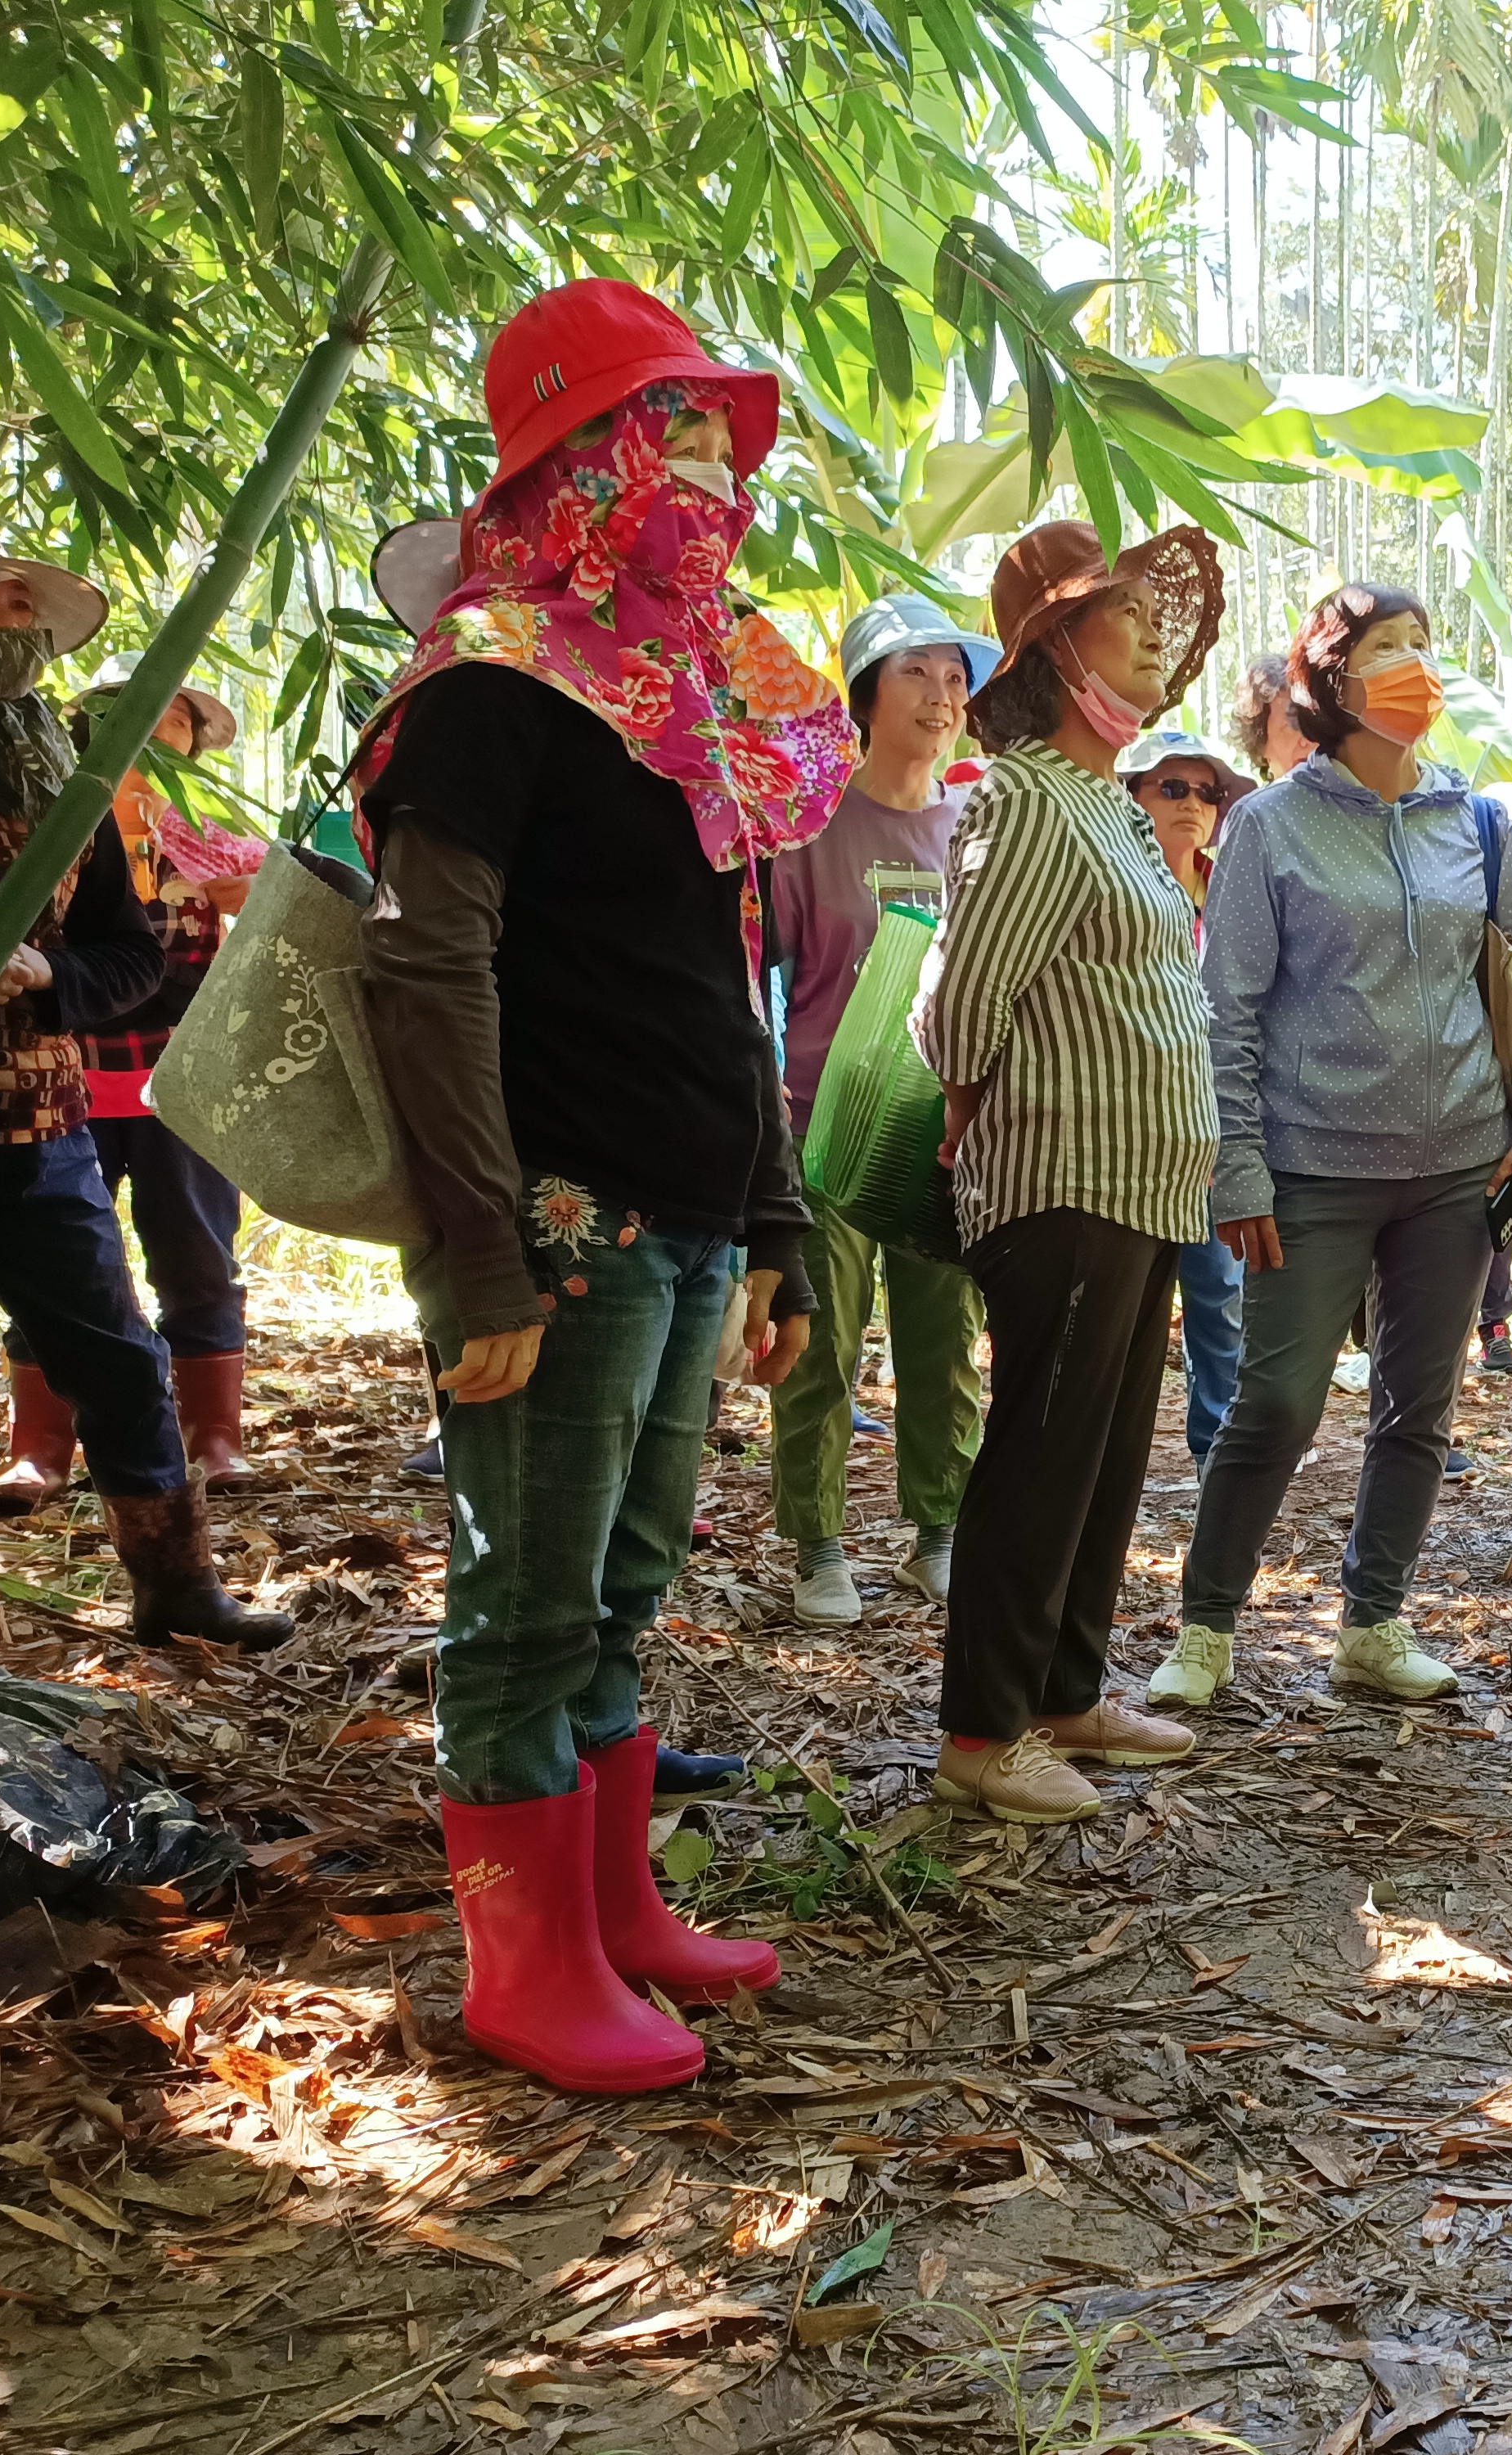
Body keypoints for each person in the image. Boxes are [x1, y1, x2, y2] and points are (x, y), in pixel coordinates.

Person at [356, 279, 851, 2091]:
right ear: (583, 462)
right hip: (560, 1217)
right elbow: (426, 972)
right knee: (530, 1595)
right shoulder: (488, 683)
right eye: (681, 444)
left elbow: (732, 969)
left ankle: (607, 1909)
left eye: (728, 455)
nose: (717, 489)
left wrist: (777, 1219)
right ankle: (524, 1967)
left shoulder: (682, 702)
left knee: (628, 1581)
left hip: (695, 1203)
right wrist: (477, 1252)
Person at [0, 516, 290, 1680]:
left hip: (33, 1120)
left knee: (119, 1359)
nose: (1, 623)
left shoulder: (60, 774)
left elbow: (124, 953)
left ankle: (179, 1594)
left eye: (13, 604)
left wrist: (48, 976)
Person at [1154, 584, 1512, 1709]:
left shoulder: (1474, 823)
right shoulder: (1272, 827)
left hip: (1454, 1173)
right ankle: (1206, 1629)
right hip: (1312, 1168)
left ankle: (1374, 1625)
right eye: (1387, 649)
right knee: (1277, 1402)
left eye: (1425, 646)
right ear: (1332, 681)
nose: (1415, 668)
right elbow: (1225, 1011)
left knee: (1417, 1410)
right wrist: (1236, 1166)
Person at [911, 516, 1224, 1825]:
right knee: (1041, 1456)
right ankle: (983, 1730)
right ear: (1055, 648)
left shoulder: (1107, 798)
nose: (1151, 632)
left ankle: (1065, 1688)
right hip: (1062, 1177)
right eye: (1120, 615)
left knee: (1100, 1457)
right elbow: (959, 1007)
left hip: (1138, 1183)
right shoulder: (1031, 800)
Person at [0, 660, 268, 1512]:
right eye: (125, 717)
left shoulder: (220, 836)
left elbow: (288, 954)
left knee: (197, 1257)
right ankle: (39, 1446)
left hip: (183, 1084)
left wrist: (247, 902)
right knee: (51, 1263)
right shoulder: (49, 825)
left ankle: (213, 1437)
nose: (151, 734)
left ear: (194, 742)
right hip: (64, 1076)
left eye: (172, 723)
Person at [767, 592, 999, 1625]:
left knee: (943, 1337)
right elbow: (749, 968)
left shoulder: (978, 828)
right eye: (916, 673)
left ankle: (938, 1532)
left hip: (947, 1130)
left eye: (954, 679)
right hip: (824, 1124)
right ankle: (818, 1545)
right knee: (818, 1337)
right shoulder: (806, 831)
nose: (941, 696)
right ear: (865, 694)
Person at [1121, 725, 1258, 1475]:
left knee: (1219, 1297)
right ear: (1132, 795)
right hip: (1130, 1136)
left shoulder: (1232, 889)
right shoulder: (1110, 883)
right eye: (1172, 788)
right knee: (1130, 1309)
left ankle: (1217, 1452)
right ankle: (1116, 1463)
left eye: (1207, 793)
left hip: (1214, 1132)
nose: (1193, 806)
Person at [1231, 649, 1316, 782]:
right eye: (1292, 727)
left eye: (1314, 725)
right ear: (1260, 742)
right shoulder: (1256, 803)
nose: (1309, 742)